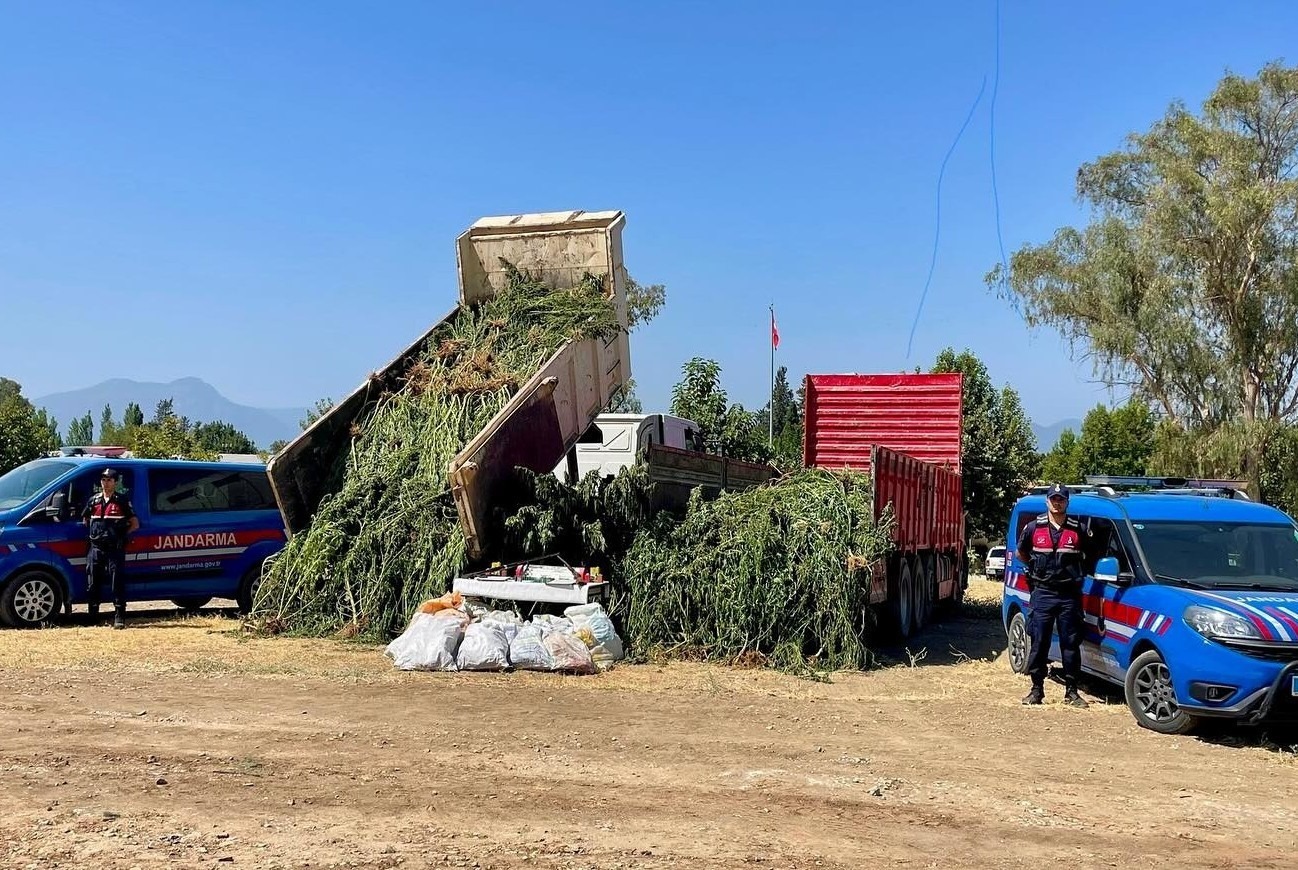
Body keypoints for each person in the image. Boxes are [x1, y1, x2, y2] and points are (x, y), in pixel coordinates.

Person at [1015, 483, 1095, 708]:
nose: (1057, 502)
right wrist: (1034, 568)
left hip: (1069, 595)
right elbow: (1021, 552)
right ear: (1047, 501)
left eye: (1061, 499)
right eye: (1054, 499)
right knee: (1040, 642)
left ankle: (1071, 692)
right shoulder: (1033, 528)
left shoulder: (1077, 529)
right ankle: (1036, 689)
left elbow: (1091, 556)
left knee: (1070, 644)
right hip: (1043, 593)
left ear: (1067, 502)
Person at [82, 468, 138, 629]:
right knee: (93, 582)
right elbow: (86, 519)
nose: (106, 483)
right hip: (95, 548)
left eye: (109, 480)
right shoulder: (93, 501)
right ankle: (93, 615)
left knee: (116, 582)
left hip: (114, 548)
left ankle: (119, 616)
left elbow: (135, 524)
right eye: (103, 480)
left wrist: (120, 535)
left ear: (115, 482)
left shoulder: (121, 501)